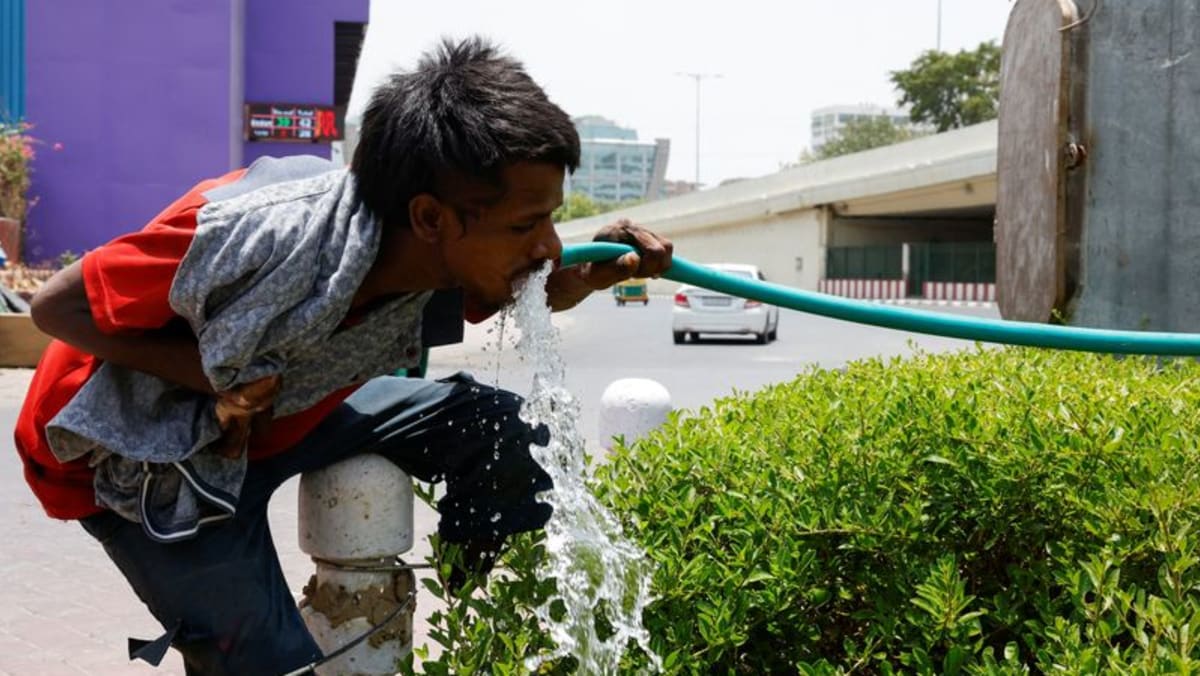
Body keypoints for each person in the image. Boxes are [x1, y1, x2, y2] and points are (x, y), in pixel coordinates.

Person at [15, 35, 672, 675]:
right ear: (430, 218)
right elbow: (56, 308)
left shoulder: (430, 257)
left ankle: (464, 597)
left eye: (550, 220)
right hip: (138, 455)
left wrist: (591, 274)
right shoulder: (253, 231)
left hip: (288, 409)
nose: (549, 246)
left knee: (511, 433)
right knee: (264, 661)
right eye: (528, 226)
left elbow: (526, 289)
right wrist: (214, 380)